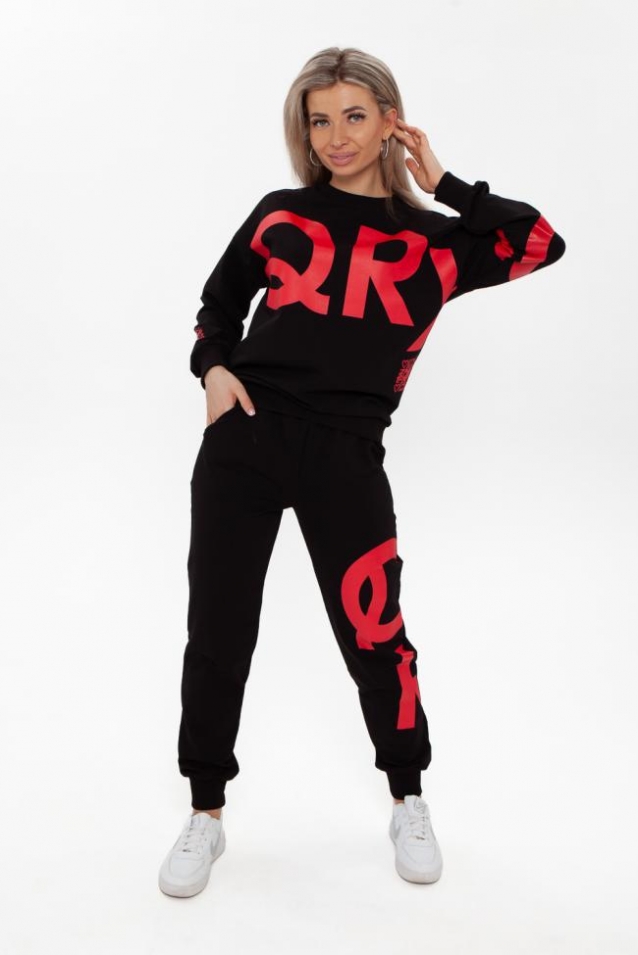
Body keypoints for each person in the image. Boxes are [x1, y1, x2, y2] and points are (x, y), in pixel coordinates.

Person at [158, 45, 566, 898]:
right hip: (246, 441)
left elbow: (541, 241)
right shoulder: (281, 215)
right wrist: (214, 369)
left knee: (376, 632)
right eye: (319, 120)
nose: (335, 136)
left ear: (390, 121)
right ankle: (205, 810)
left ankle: (407, 795)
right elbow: (218, 302)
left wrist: (444, 183)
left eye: (354, 115)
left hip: (347, 453)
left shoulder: (438, 242)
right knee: (219, 628)